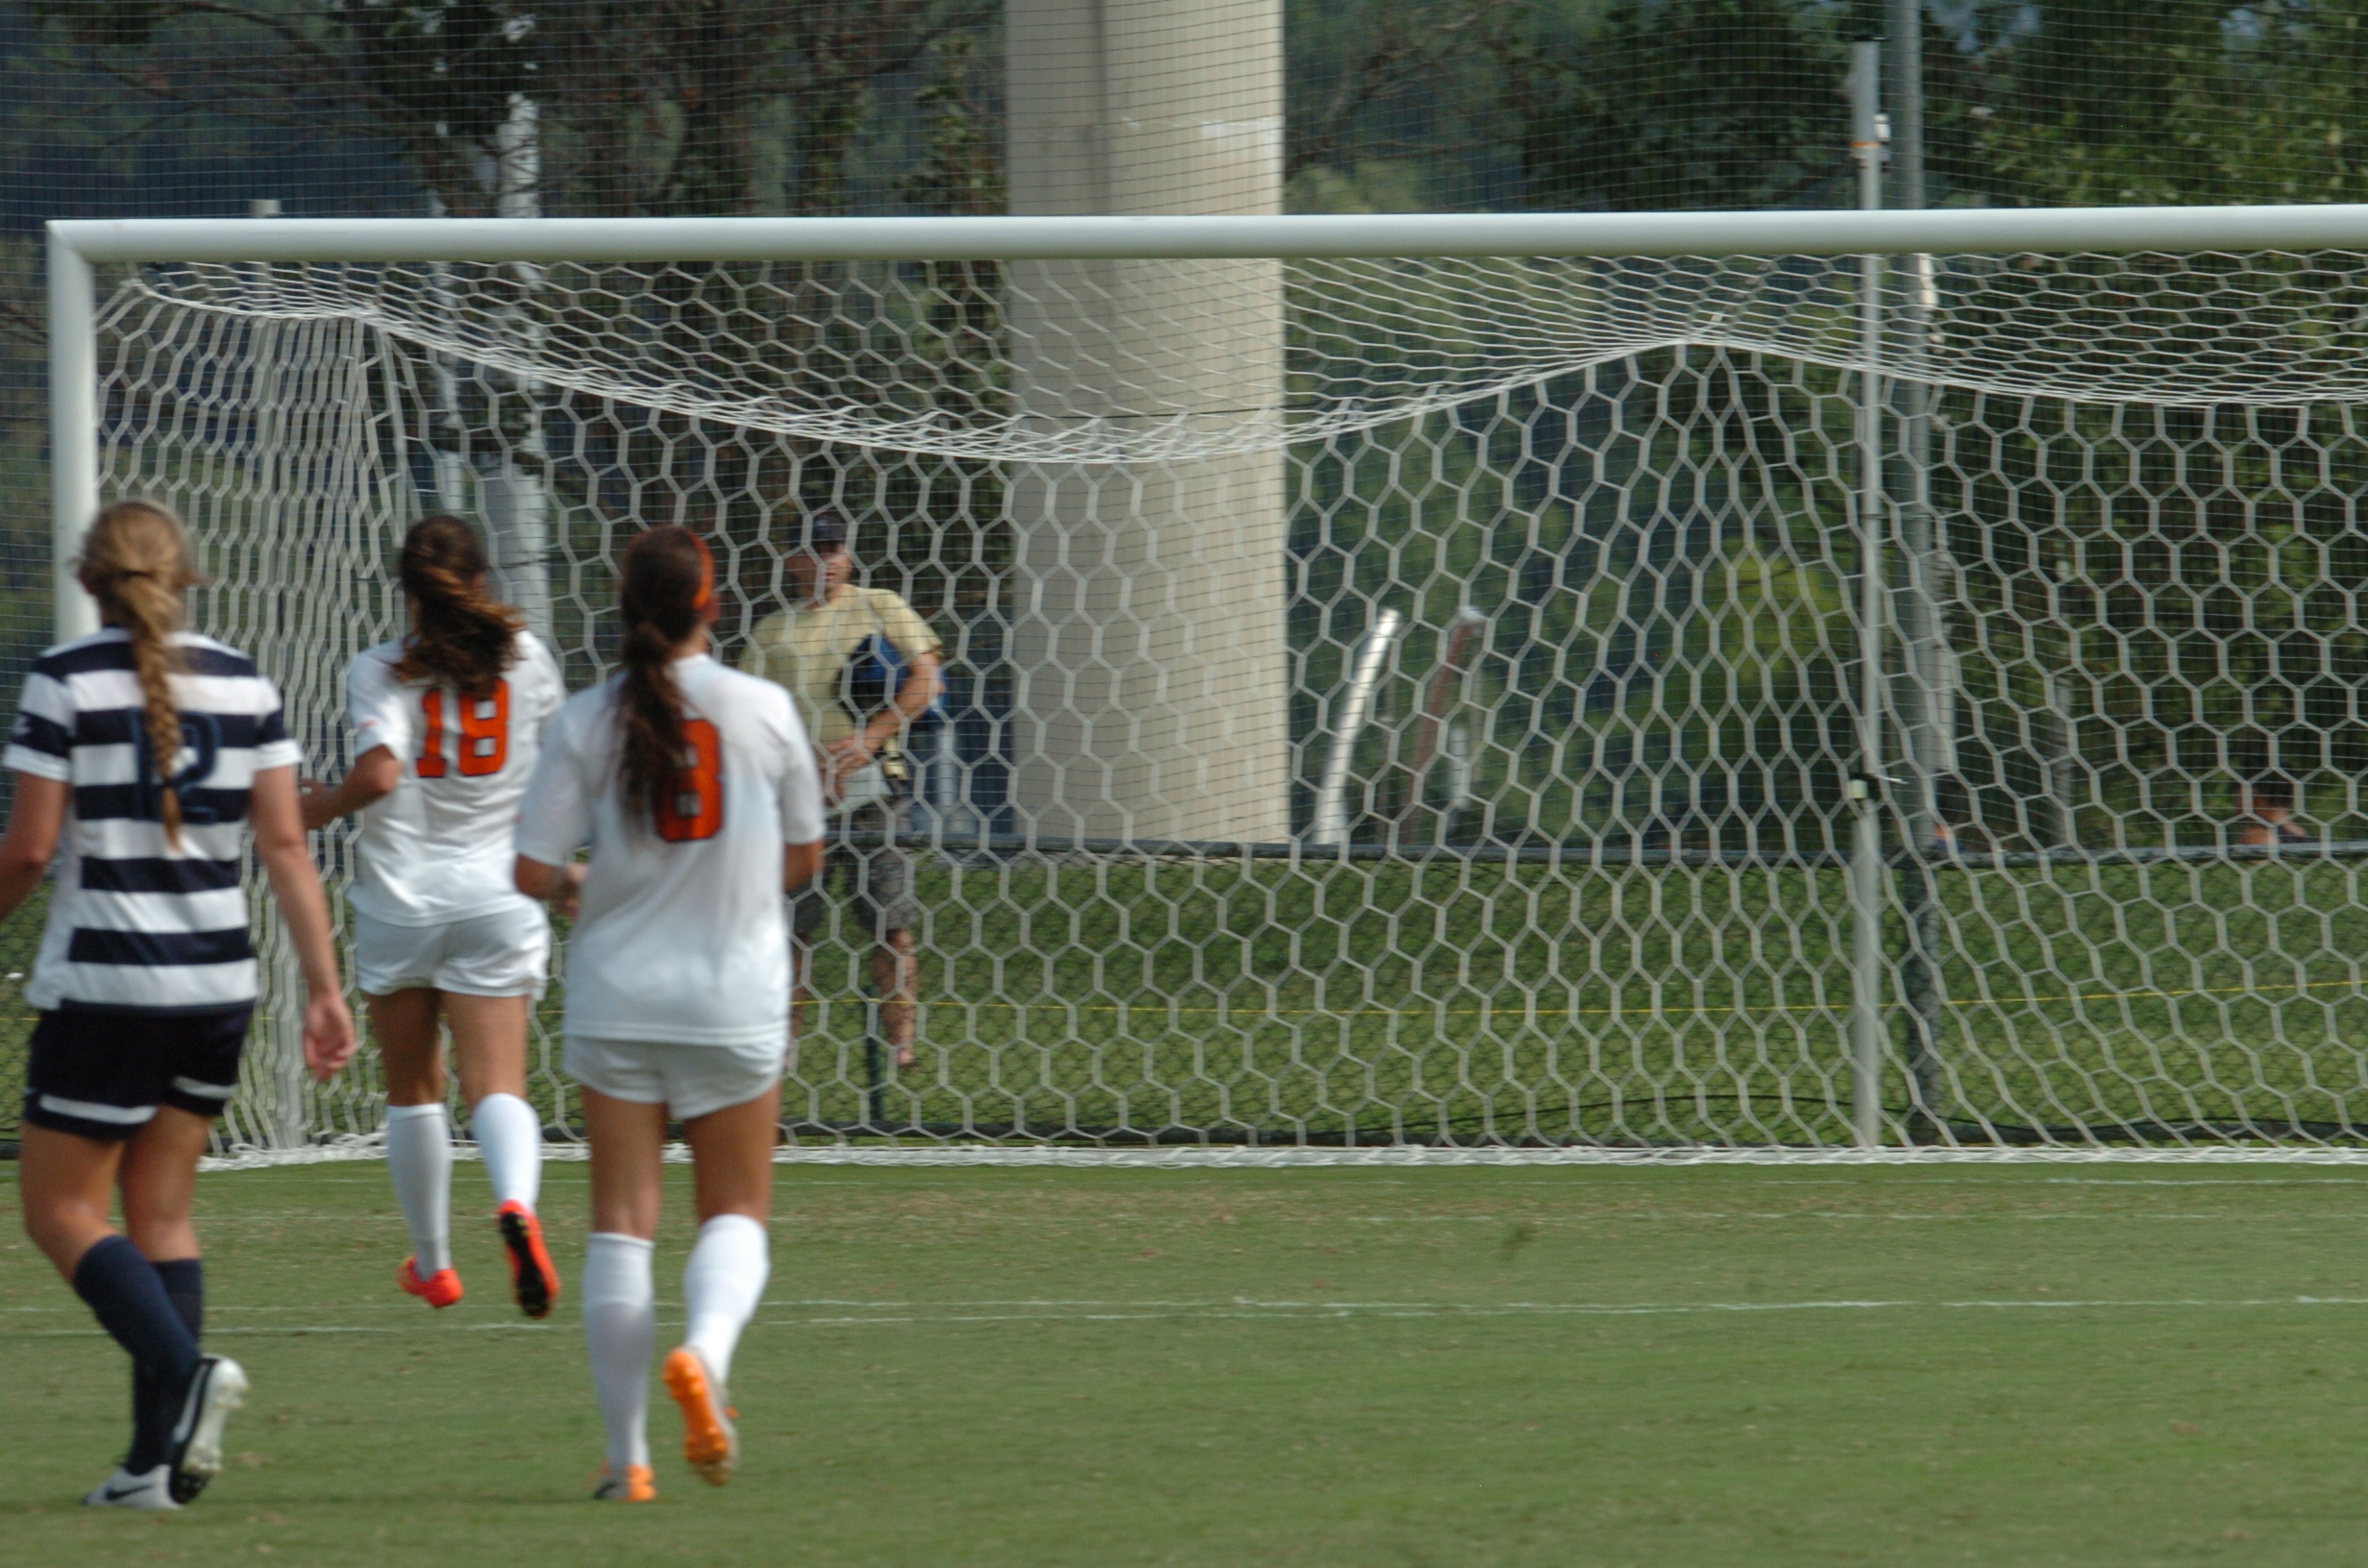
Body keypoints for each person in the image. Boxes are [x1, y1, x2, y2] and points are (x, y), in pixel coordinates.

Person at [3, 502, 356, 1510]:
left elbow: (29, 850)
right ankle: (148, 1470)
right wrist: (324, 988)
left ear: (88, 578)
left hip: (109, 985)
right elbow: (285, 846)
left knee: (60, 1210)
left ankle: (188, 1373)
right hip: (217, 987)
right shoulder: (245, 681)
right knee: (162, 1212)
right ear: (186, 576)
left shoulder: (64, 679)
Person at [513, 526, 824, 1502]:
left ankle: (627, 1461)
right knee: (734, 1211)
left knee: (620, 1226)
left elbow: (528, 870)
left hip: (617, 997)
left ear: (623, 609)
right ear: (711, 607)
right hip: (733, 997)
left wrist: (585, 886)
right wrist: (727, 884)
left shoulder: (584, 718)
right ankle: (706, 1355)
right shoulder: (764, 709)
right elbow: (805, 858)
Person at [299, 515, 567, 1317]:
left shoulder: (379, 668)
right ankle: (515, 1202)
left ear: (407, 591)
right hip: (499, 896)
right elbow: (561, 763)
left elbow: (379, 776)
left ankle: (434, 1264)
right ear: (481, 581)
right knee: (497, 1085)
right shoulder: (527, 658)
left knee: (414, 1089)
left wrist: (315, 806)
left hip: (402, 899)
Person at [741, 512, 942, 1070]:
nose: (825, 560)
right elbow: (749, 715)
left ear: (849, 556)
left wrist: (868, 739)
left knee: (890, 923)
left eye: (834, 549)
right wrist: (800, 764)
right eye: (813, 550)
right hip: (797, 800)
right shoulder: (771, 631)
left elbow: (928, 679)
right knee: (788, 931)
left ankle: (902, 1046)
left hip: (874, 792)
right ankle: (780, 1048)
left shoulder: (879, 606)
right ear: (791, 561)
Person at [2235, 772, 2311, 847]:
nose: (2236, 802)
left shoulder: (2256, 836)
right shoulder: (2302, 835)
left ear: (2254, 794)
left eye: (2238, 795)